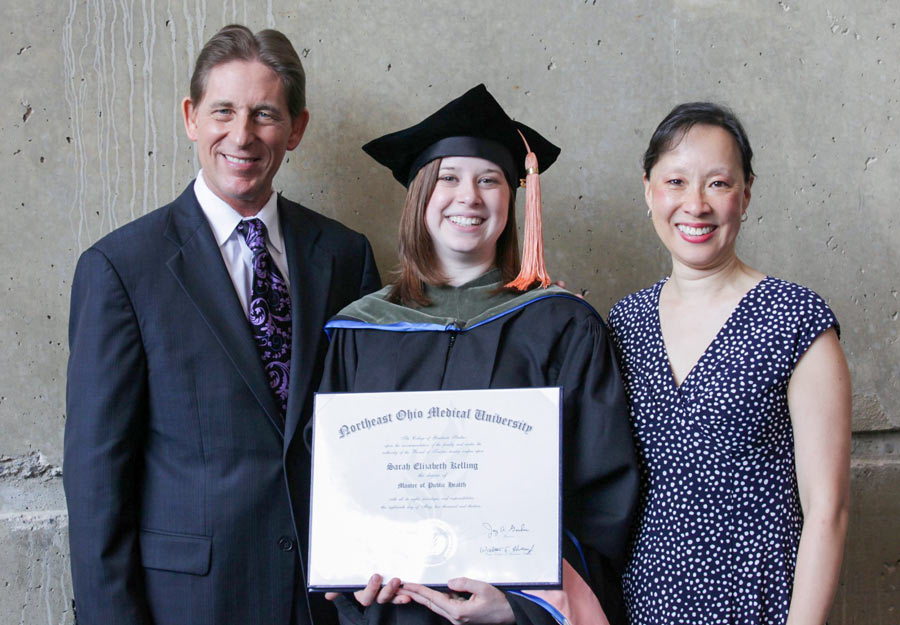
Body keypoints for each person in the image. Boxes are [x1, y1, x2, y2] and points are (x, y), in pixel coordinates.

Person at [63, 24, 380, 625]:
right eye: (223, 111)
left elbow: (367, 434)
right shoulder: (121, 269)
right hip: (191, 602)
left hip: (328, 601)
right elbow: (96, 480)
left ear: (296, 129)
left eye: (264, 114)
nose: (242, 135)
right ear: (191, 117)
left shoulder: (344, 256)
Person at [316, 84, 639, 625]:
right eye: (448, 178)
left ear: (513, 200)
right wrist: (353, 576)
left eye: (489, 179)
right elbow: (335, 480)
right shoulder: (360, 330)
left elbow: (601, 496)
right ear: (420, 195)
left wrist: (522, 605)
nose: (469, 197)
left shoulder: (561, 324)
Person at [608, 102, 851, 624]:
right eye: (675, 181)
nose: (694, 204)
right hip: (641, 605)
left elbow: (827, 511)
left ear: (746, 194)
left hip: (756, 606)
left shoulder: (795, 319)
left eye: (718, 183)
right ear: (648, 189)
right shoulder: (623, 324)